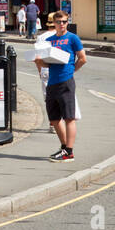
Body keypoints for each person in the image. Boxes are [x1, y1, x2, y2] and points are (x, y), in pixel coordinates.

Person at [35, 13, 85, 162]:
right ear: (54, 23)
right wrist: (38, 62)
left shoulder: (72, 38)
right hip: (52, 82)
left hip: (66, 82)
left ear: (67, 23)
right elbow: (47, 64)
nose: (62, 24)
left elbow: (83, 58)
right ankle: (64, 147)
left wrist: (71, 70)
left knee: (69, 117)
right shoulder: (49, 40)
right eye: (59, 22)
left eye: (64, 22)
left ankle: (69, 151)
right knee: (54, 118)